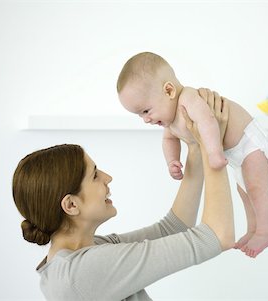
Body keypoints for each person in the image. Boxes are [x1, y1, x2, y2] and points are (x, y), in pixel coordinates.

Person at [12, 91, 234, 300]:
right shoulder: (84, 271)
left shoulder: (82, 254)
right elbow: (216, 236)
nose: (108, 177)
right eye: (95, 175)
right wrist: (211, 143)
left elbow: (172, 229)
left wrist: (195, 146)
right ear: (71, 205)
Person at [117, 52, 268, 258]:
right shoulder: (169, 120)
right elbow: (169, 140)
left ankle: (266, 231)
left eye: (146, 111)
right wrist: (172, 161)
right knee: (245, 194)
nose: (145, 119)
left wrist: (213, 153)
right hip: (238, 156)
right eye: (139, 115)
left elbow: (209, 121)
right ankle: (253, 230)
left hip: (250, 144)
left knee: (257, 191)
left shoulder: (188, 98)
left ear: (168, 90)